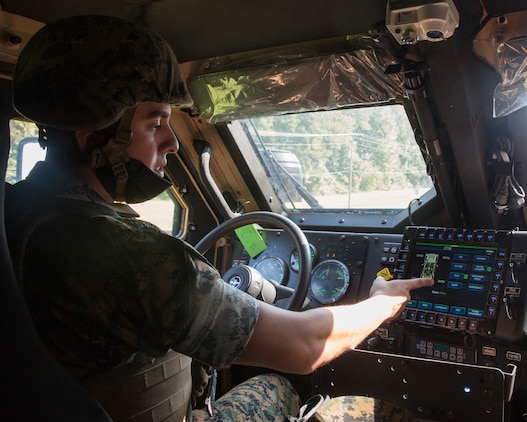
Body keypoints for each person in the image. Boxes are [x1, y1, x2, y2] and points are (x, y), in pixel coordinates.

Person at [7, 15, 434, 421]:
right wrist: (382, 302)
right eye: (155, 123)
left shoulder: (16, 211)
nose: (174, 143)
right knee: (275, 386)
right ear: (95, 135)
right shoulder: (131, 256)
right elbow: (306, 346)